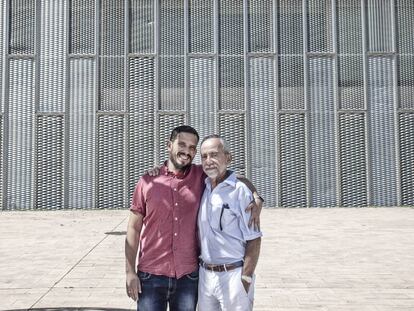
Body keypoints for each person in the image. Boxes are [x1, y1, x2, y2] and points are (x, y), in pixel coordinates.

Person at [125, 125, 263, 311]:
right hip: (151, 275)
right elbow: (133, 229)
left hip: (187, 278)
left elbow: (232, 177)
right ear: (169, 145)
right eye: (182, 144)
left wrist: (256, 196)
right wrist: (129, 272)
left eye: (192, 148)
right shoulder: (148, 181)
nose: (187, 151)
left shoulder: (200, 175)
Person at [197, 134, 262, 311]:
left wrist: (246, 278)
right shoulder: (203, 186)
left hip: (233, 276)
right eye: (204, 156)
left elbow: (254, 239)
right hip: (205, 277)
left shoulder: (240, 192)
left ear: (228, 157)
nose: (208, 160)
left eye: (214, 154)